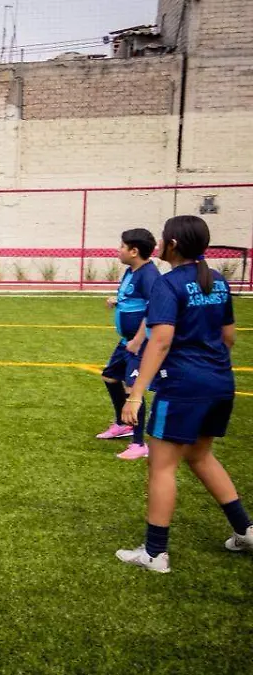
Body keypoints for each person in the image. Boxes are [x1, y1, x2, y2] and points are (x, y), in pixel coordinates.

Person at [116, 216, 250, 573]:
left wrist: (135, 395)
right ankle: (245, 529)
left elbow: (159, 342)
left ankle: (155, 553)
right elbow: (229, 337)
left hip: (184, 387)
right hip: (220, 382)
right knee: (201, 456)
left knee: (161, 467)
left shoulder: (168, 283)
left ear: (171, 244)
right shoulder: (218, 281)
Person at [97, 228, 160, 460]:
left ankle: (139, 443)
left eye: (121, 246)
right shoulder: (130, 271)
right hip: (126, 341)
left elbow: (154, 309)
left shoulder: (149, 275)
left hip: (139, 343)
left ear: (134, 251)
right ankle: (124, 424)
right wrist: (117, 301)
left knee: (133, 389)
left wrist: (137, 340)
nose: (118, 250)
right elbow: (135, 300)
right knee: (110, 376)